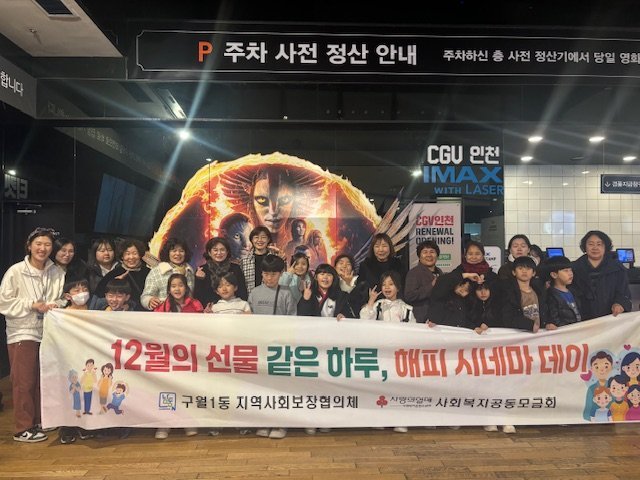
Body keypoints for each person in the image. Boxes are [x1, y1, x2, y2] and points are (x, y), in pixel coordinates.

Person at [0, 227, 65, 442]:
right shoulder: (16, 271)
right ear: (29, 246)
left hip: (47, 332)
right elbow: (4, 302)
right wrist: (32, 304)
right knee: (23, 381)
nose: (42, 248)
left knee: (40, 380)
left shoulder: (56, 272)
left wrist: (57, 304)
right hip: (22, 332)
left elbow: (59, 298)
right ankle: (23, 427)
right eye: (38, 244)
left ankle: (37, 420)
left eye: (47, 244)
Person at [359, 270, 414, 433]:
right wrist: (371, 301)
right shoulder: (378, 305)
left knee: (399, 387)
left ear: (398, 287)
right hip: (380, 353)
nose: (387, 287)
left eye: (391, 284)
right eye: (384, 284)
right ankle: (380, 418)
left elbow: (414, 331)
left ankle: (400, 420)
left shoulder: (407, 308)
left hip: (399, 354)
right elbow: (364, 320)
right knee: (380, 387)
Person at [248, 254, 296, 440]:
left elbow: (293, 320)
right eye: (266, 274)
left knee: (279, 386)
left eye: (274, 274)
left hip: (280, 347)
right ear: (261, 274)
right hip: (260, 346)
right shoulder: (254, 293)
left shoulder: (286, 293)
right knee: (262, 386)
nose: (269, 278)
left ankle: (280, 423)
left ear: (281, 274)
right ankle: (263, 421)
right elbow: (248, 318)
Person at [153, 274, 202, 440]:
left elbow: (203, 328)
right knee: (167, 388)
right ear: (168, 289)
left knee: (186, 388)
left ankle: (188, 421)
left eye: (180, 285)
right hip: (168, 354)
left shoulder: (195, 305)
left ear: (186, 287)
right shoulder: (162, 307)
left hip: (189, 355)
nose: (177, 289)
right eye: (173, 286)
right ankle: (165, 423)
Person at [571, 230, 632, 320]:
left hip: (610, 317)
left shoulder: (617, 268)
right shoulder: (575, 268)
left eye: (599, 244)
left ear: (605, 247)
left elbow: (623, 292)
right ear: (584, 246)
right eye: (591, 244)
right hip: (582, 318)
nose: (595, 248)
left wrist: (619, 304)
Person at [141, 237, 195, 310]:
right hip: (164, 313)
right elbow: (145, 296)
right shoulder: (157, 271)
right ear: (168, 253)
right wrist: (150, 301)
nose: (178, 254)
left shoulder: (189, 271)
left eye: (181, 251)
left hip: (186, 313)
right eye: (174, 251)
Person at [95, 238, 149, 308]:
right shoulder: (113, 274)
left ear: (140, 255)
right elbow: (98, 297)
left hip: (146, 312)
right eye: (127, 254)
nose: (131, 257)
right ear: (122, 256)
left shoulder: (149, 273)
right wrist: (114, 284)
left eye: (135, 253)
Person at [193, 237, 248, 307]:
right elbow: (197, 297)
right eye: (215, 250)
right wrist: (199, 280)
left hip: (233, 307)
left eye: (222, 250)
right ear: (209, 252)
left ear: (227, 252)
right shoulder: (202, 270)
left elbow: (242, 292)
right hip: (209, 309)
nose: (219, 253)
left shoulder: (235, 268)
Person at [404, 240, 443, 324]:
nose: (429, 255)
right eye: (425, 252)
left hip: (439, 318)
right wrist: (431, 285)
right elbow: (409, 296)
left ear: (437, 255)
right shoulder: (414, 273)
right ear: (419, 256)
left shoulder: (440, 272)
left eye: (432, 252)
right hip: (421, 320)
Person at [545, 256, 584, 329]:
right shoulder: (551, 295)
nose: (570, 274)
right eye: (566, 271)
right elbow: (554, 319)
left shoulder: (574, 292)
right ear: (554, 275)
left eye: (570, 270)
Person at [240, 226, 277, 295]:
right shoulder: (244, 260)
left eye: (263, 237)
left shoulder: (276, 259)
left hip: (271, 297)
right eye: (256, 237)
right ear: (252, 240)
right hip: (250, 298)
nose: (260, 240)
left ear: (268, 239)